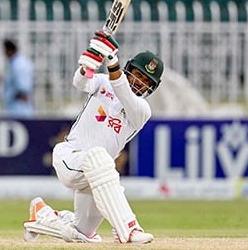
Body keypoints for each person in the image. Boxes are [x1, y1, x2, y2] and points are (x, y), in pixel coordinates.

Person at [23, 30, 163, 244]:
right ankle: (128, 229)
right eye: (137, 74)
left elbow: (123, 91)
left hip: (98, 177)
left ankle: (42, 215)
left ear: (151, 88)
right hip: (71, 157)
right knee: (99, 156)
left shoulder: (142, 110)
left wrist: (111, 60)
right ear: (129, 69)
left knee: (83, 235)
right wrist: (89, 63)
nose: (139, 82)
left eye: (146, 81)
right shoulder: (103, 82)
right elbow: (80, 82)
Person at [2, 38, 35, 118]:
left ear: (9, 51)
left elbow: (23, 87)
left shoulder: (18, 64)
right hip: (18, 106)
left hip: (18, 107)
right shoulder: (20, 62)